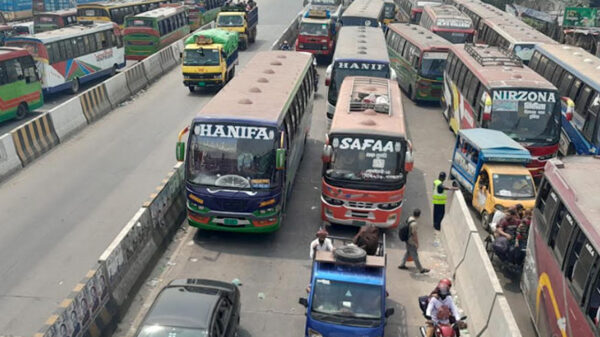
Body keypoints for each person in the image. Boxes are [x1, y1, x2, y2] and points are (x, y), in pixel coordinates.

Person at [398, 209, 430, 273]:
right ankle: (421, 269)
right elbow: (414, 235)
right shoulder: (414, 224)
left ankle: (402, 265)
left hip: (407, 239)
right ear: (419, 215)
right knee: (415, 256)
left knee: (408, 252)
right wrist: (417, 243)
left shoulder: (410, 218)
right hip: (411, 241)